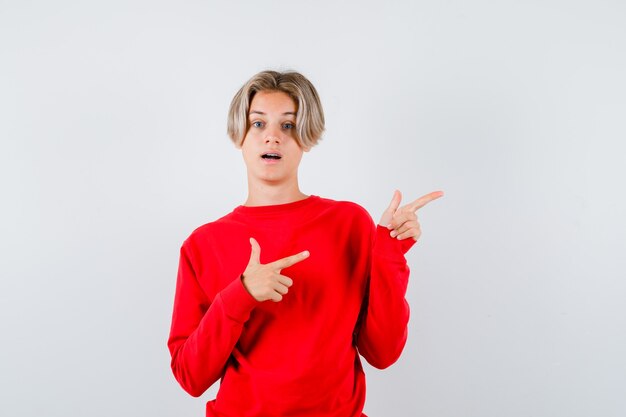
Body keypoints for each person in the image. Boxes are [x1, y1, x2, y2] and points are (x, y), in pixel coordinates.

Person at [167, 70, 443, 417]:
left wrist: (389, 252)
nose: (272, 138)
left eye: (287, 125)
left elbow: (383, 353)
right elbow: (190, 376)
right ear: (240, 135)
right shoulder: (203, 244)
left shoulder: (348, 224)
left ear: (307, 137)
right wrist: (241, 294)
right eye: (257, 124)